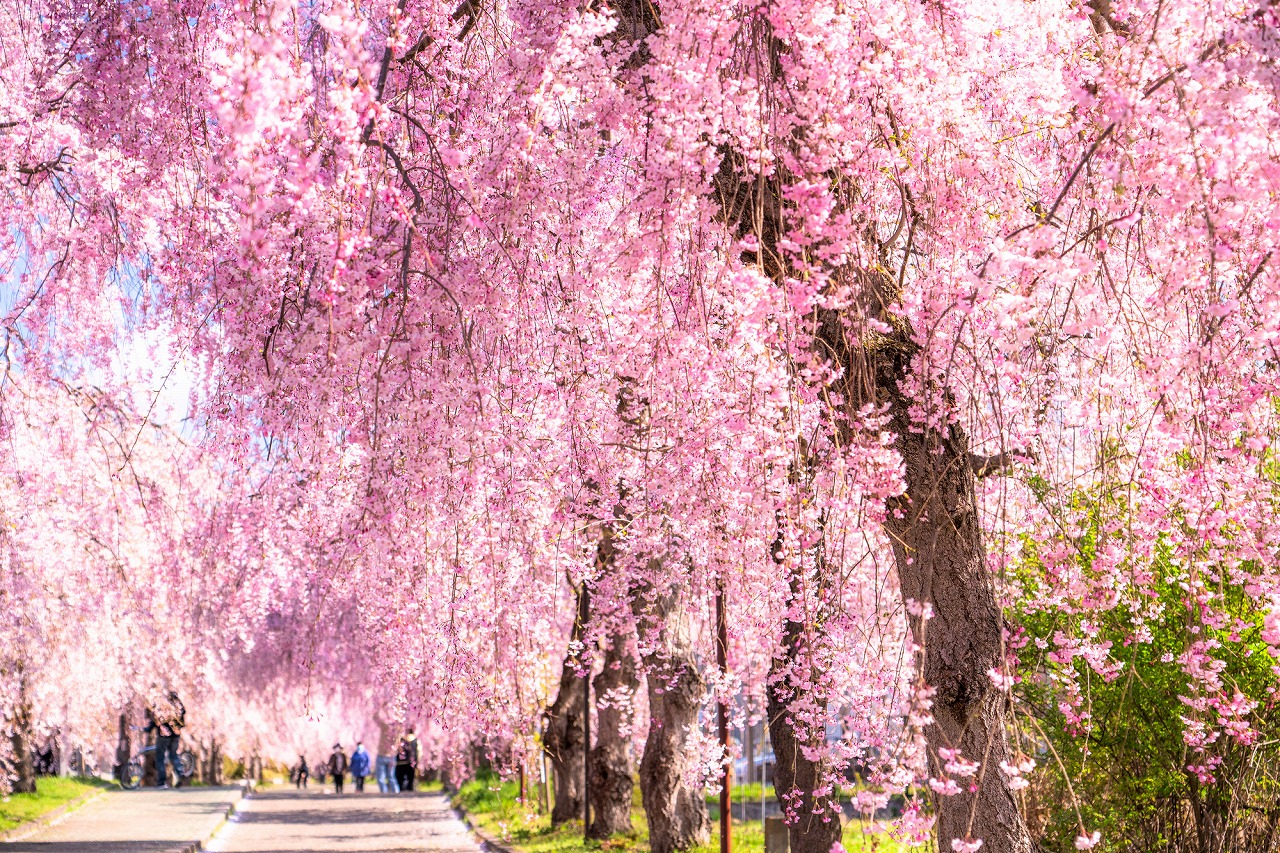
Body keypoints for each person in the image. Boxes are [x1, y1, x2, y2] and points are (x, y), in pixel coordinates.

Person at [145, 689, 186, 788]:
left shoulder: (164, 707)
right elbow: (182, 723)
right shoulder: (179, 709)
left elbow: (157, 720)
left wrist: (149, 728)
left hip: (164, 736)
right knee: (173, 755)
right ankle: (179, 771)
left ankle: (161, 782)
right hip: (175, 735)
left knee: (160, 758)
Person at [374, 719, 398, 793]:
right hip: (391, 756)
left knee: (381, 777)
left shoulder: (384, 727)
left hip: (382, 755)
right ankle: (396, 792)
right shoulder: (397, 731)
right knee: (391, 777)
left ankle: (384, 792)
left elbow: (375, 717)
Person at [394, 728, 419, 792]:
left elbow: (395, 749)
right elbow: (419, 751)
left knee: (400, 780)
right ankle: (410, 792)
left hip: (400, 762)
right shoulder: (415, 739)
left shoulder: (400, 738)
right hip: (411, 762)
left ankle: (401, 792)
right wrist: (417, 762)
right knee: (410, 779)